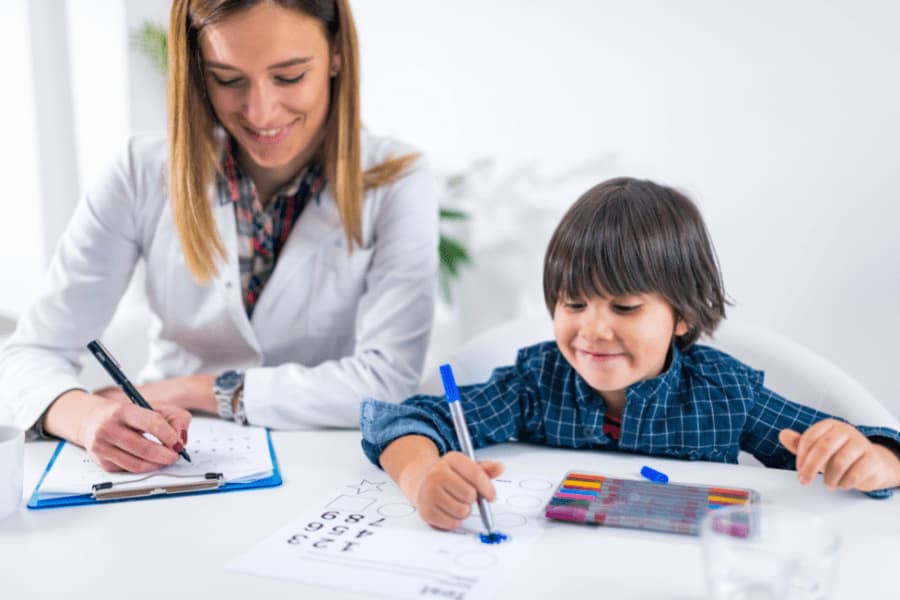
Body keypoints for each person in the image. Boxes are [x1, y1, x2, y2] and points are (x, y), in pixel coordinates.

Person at [0, 0, 437, 473]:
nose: (261, 112)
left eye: (289, 76)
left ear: (335, 54)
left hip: (323, 464)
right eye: (228, 79)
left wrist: (196, 389)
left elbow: (387, 380)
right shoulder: (141, 172)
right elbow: (31, 353)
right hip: (162, 464)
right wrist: (85, 417)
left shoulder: (396, 180)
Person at [360, 177, 900, 530]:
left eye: (624, 306)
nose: (593, 329)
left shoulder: (726, 395)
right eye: (574, 302)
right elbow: (406, 419)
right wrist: (422, 478)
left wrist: (871, 460)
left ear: (683, 315)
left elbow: (867, 452)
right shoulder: (536, 384)